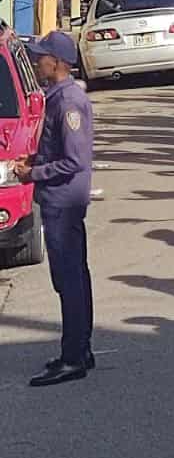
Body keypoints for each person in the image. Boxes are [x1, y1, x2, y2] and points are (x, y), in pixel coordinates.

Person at [17, 32, 96, 388]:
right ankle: (80, 348)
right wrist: (36, 159)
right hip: (62, 199)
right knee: (74, 275)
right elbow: (58, 149)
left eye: (42, 57)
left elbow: (75, 160)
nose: (37, 63)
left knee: (69, 279)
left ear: (59, 62)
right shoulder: (60, 97)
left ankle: (74, 357)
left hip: (63, 201)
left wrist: (34, 173)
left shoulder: (68, 102)